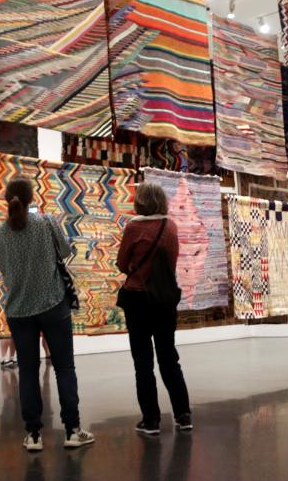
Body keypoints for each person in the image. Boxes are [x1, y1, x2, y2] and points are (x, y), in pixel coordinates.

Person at [0, 177, 95, 451]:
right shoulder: (47, 223)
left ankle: (34, 435)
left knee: (27, 371)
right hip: (53, 305)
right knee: (64, 368)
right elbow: (65, 251)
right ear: (31, 198)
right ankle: (72, 430)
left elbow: (3, 268)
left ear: (7, 200)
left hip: (19, 310)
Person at [116, 182, 192, 435]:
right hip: (164, 300)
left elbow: (121, 263)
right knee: (169, 357)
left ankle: (151, 421)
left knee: (143, 362)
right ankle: (183, 415)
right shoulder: (170, 227)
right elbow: (172, 262)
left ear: (140, 202)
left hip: (137, 300)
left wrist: (136, 269)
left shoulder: (133, 227)